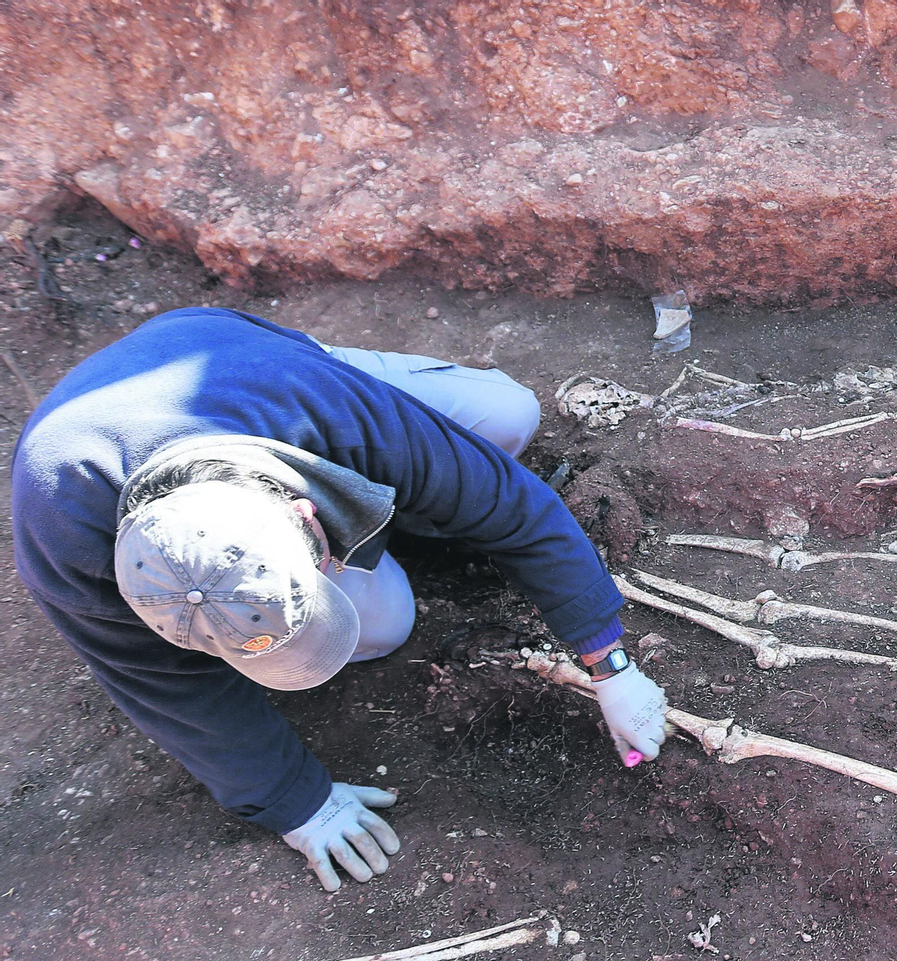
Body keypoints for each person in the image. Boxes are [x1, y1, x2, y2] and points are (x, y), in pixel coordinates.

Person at [11, 308, 668, 891]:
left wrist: (608, 663)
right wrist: (298, 803)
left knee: (508, 416)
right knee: (386, 623)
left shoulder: (324, 409)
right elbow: (168, 691)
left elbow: (510, 503)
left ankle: (395, 500)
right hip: (174, 419)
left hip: (269, 371)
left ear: (303, 511)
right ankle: (395, 513)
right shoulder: (64, 547)